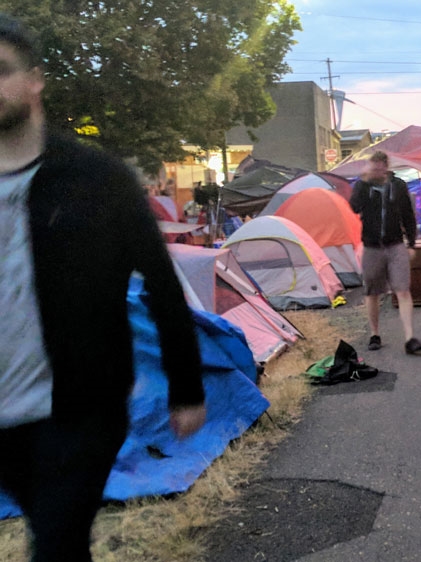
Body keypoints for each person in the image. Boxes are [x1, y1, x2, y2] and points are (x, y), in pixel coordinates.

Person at [0, 14, 206, 561]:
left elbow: (162, 282)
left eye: (0, 70)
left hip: (79, 409)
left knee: (57, 543)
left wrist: (187, 388)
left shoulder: (96, 177)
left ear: (35, 80)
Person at [349, 151, 421, 355]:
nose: (376, 170)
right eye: (373, 166)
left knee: (403, 290)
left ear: (385, 166)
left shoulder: (397, 185)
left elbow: (408, 215)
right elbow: (354, 207)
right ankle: (375, 334)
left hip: (395, 245)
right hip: (372, 247)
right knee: (372, 292)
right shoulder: (363, 186)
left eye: (379, 166)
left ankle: (410, 338)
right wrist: (364, 181)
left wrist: (411, 244)